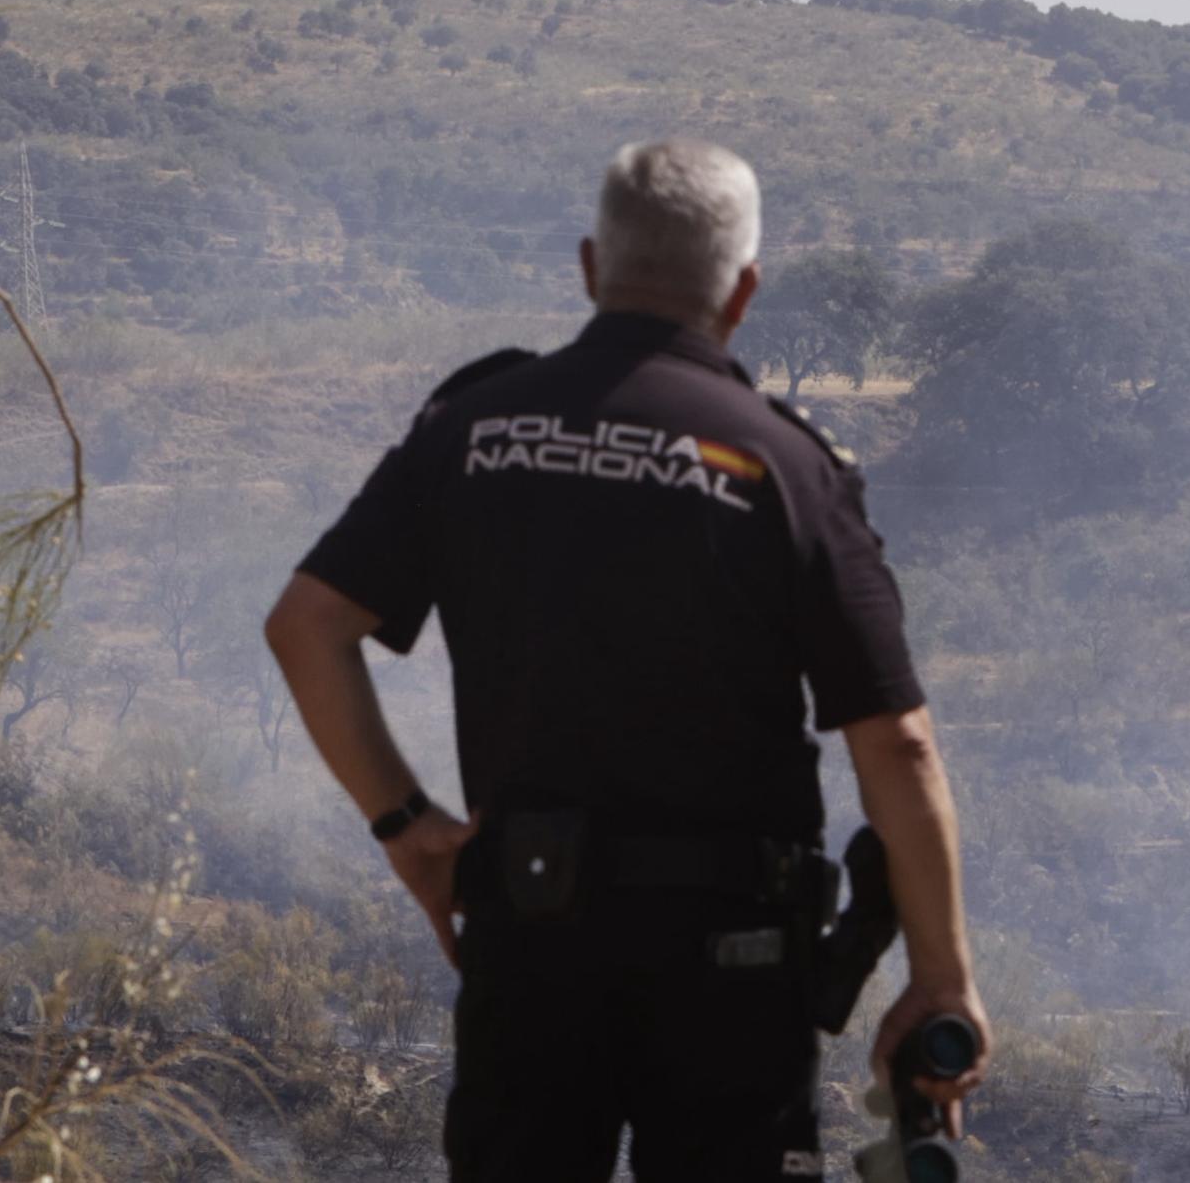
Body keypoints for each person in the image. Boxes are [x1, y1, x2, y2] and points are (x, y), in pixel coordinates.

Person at [266, 138, 988, 1181]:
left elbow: (305, 626)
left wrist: (407, 827)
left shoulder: (471, 429)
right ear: (741, 294)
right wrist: (941, 974)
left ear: (589, 268)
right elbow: (900, 745)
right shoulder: (782, 464)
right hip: (732, 979)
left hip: (528, 944)